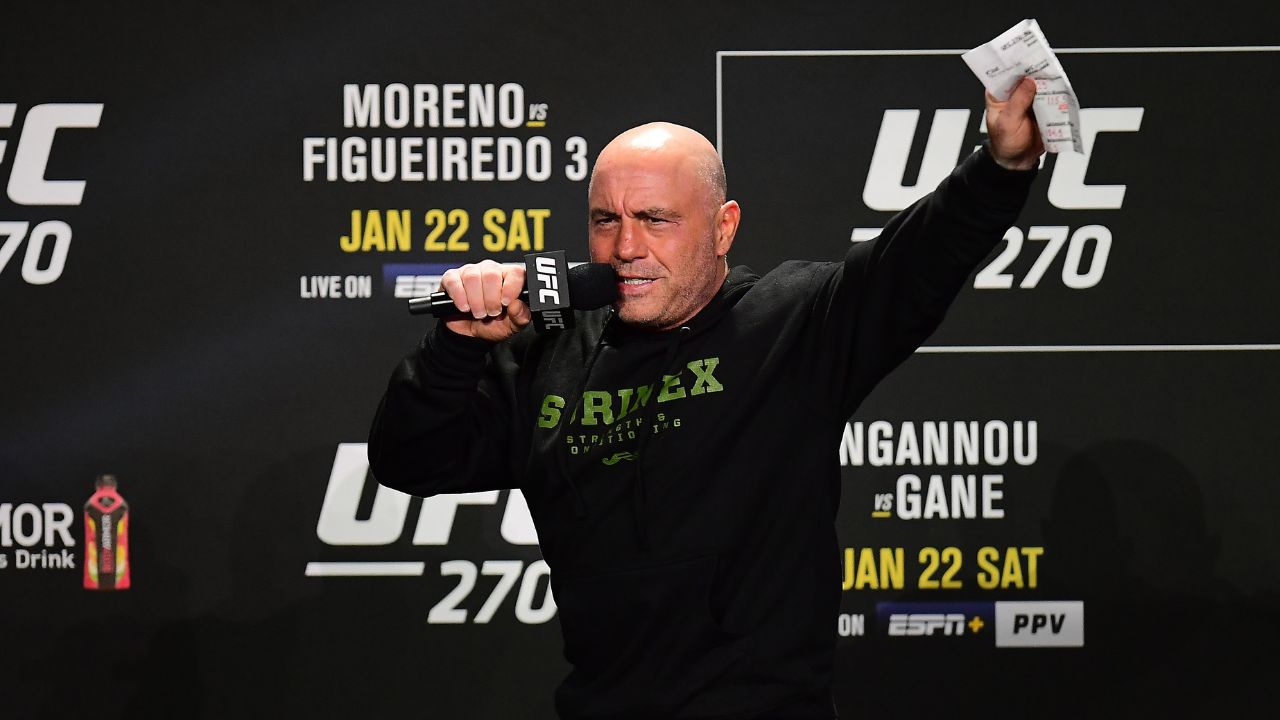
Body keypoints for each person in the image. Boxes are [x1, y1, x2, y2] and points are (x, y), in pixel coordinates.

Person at [369, 77, 1044, 719]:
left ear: (723, 228)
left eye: (656, 220)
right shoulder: (548, 352)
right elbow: (411, 461)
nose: (626, 247)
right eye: (607, 220)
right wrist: (457, 345)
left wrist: (1001, 164)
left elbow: (920, 256)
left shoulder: (793, 323)